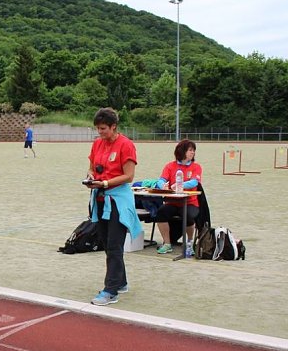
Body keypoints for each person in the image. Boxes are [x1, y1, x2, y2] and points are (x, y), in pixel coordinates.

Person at [84, 107, 141, 306]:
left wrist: (107, 183)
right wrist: (91, 176)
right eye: (98, 129)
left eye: (103, 129)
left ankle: (110, 290)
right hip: (100, 198)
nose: (100, 133)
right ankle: (121, 281)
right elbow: (92, 167)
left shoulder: (126, 145)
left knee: (115, 245)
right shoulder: (97, 144)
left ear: (114, 127)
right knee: (107, 244)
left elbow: (129, 176)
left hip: (118, 200)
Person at [153, 139, 202, 255]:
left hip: (190, 202)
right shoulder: (170, 166)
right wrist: (163, 185)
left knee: (188, 215)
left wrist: (180, 185)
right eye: (190, 150)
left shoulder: (196, 167)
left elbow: (195, 182)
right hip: (172, 202)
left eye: (193, 150)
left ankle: (190, 243)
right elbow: (161, 180)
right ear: (182, 151)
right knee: (161, 212)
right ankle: (167, 243)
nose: (192, 153)